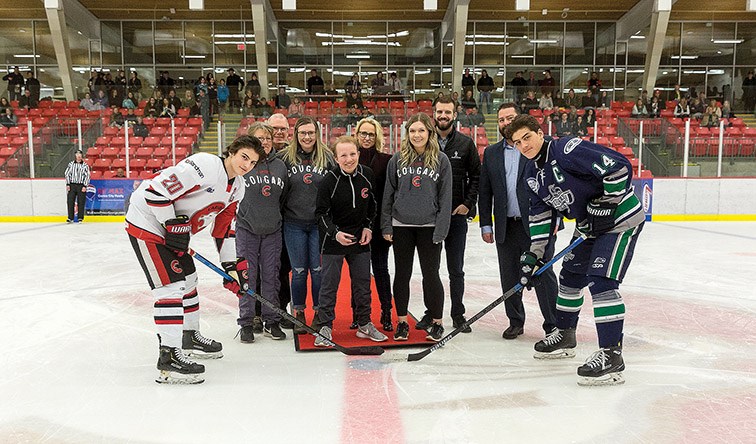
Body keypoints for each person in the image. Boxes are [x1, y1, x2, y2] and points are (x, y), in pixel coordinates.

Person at [506, 114, 645, 386]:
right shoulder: (533, 176)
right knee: (569, 277)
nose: (524, 145)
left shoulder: (565, 149)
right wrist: (533, 256)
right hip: (588, 227)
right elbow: (540, 219)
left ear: (539, 132)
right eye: (517, 142)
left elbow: (618, 166)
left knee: (602, 281)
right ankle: (566, 335)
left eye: (527, 137)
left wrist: (607, 202)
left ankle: (611, 353)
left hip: (619, 222)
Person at [126, 136, 265, 384]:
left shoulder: (238, 187)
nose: (247, 165)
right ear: (231, 152)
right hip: (147, 222)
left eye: (253, 162)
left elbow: (224, 230)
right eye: (244, 157)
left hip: (172, 231)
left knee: (189, 280)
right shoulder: (206, 165)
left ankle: (188, 337)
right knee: (170, 288)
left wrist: (232, 267)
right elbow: (155, 192)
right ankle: (168, 356)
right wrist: (171, 224)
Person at [478, 103, 560, 342]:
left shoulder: (535, 147)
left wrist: (557, 220)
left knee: (543, 274)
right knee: (509, 276)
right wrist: (486, 223)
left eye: (510, 118)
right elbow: (486, 191)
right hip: (506, 225)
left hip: (539, 224)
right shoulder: (491, 153)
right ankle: (515, 322)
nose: (505, 123)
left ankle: (552, 325)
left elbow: (555, 184)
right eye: (501, 120)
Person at [382, 113, 452, 342]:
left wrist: (441, 229)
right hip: (401, 225)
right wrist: (386, 225)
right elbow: (388, 195)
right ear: (407, 134)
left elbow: (445, 198)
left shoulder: (441, 160)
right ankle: (402, 321)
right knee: (402, 274)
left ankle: (437, 322)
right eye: (412, 131)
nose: (417, 135)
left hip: (429, 226)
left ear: (429, 133)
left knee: (431, 275)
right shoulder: (397, 159)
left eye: (421, 130)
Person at [313, 136, 388, 346]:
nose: (349, 159)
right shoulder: (329, 181)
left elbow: (373, 206)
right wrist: (335, 233)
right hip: (334, 241)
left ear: (358, 154)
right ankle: (325, 326)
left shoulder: (367, 175)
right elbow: (320, 214)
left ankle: (364, 324)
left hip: (359, 240)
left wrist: (367, 227)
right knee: (329, 285)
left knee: (363, 285)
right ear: (336, 158)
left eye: (352, 154)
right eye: (343, 155)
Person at [415, 97, 479, 334]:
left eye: (447, 112)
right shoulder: (423, 142)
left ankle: (458, 313)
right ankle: (431, 312)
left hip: (455, 216)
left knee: (456, 269)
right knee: (430, 269)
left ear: (454, 114)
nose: (443, 115)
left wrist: (467, 203)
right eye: (439, 111)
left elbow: (477, 176)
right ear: (434, 113)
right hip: (428, 218)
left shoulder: (465, 143)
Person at [278, 116, 335, 334]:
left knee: (318, 271)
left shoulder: (327, 158)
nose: (307, 137)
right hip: (293, 223)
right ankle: (299, 312)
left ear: (317, 134)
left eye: (311, 133)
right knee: (299, 271)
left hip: (318, 224)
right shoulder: (285, 158)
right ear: (296, 135)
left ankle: (319, 312)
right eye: (303, 133)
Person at [235, 123, 289, 343]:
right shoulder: (246, 164)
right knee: (247, 276)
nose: (265, 141)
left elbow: (283, 197)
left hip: (272, 230)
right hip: (247, 228)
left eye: (267, 138)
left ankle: (271, 320)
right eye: (260, 138)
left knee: (271, 277)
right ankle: (246, 322)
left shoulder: (280, 166)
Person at [355, 117, 394, 332]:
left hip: (378, 226)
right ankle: (358, 313)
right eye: (363, 133)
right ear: (357, 135)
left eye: (371, 134)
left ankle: (386, 311)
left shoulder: (386, 160)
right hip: (355, 226)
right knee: (358, 274)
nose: (367, 137)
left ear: (377, 136)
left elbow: (389, 195)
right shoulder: (351, 158)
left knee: (380, 270)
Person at [266, 113, 294, 330]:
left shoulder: (292, 155)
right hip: (264, 223)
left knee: (284, 267)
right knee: (263, 268)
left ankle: (281, 308)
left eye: (283, 129)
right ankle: (259, 312)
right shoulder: (258, 155)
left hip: (289, 221)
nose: (279, 132)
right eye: (274, 128)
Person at [64, 150, 90, 224]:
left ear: (82, 156)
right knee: (70, 201)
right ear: (75, 155)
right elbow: (67, 174)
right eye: (77, 155)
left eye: (80, 155)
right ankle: (70, 217)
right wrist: (68, 184)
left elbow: (87, 176)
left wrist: (85, 185)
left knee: (81, 202)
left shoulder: (85, 165)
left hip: (81, 185)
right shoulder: (71, 164)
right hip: (72, 185)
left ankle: (80, 218)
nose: (78, 156)